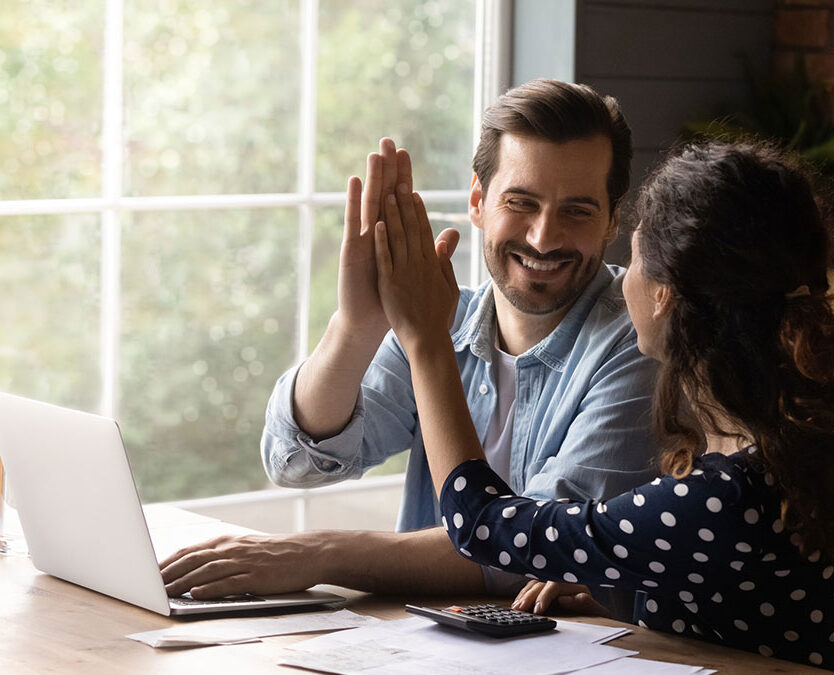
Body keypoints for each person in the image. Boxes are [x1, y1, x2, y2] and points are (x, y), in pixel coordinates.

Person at [371, 140, 834, 672]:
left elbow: (480, 526)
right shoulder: (773, 457)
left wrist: (426, 341)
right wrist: (624, 605)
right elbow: (735, 610)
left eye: (631, 257)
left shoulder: (726, 497)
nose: (621, 276)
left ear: (665, 294)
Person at [159, 80, 659, 599]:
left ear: (611, 221)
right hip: (420, 639)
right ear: (477, 201)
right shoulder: (443, 315)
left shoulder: (641, 342)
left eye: (577, 211)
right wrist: (357, 325)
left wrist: (319, 554)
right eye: (521, 202)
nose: (543, 237)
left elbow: (532, 552)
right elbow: (296, 460)